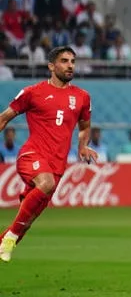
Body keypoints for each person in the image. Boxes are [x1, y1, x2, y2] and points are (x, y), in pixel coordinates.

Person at [0, 46, 97, 262]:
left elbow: (84, 127)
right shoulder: (32, 92)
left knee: (29, 218)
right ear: (51, 66)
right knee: (45, 183)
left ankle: (6, 239)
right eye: (64, 61)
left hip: (57, 166)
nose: (70, 65)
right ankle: (11, 236)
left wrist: (82, 146)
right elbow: (4, 118)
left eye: (72, 61)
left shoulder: (82, 97)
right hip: (31, 155)